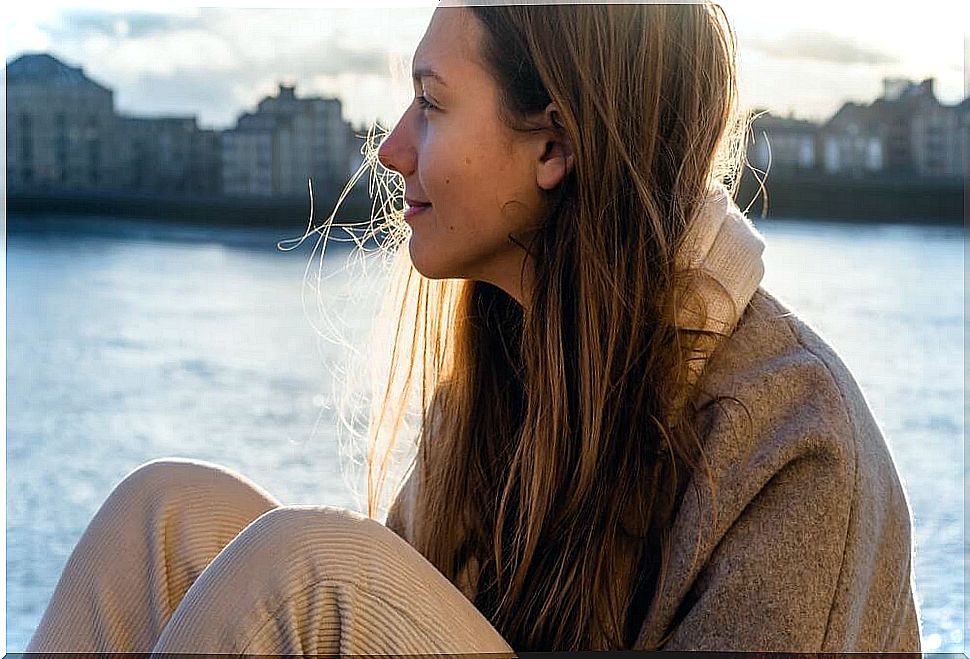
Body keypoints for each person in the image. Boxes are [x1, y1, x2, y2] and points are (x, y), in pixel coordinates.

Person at [25, 2, 922, 655]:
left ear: (553, 147)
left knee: (310, 570)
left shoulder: (796, 436)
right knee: (164, 513)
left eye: (432, 103)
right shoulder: (500, 375)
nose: (392, 149)